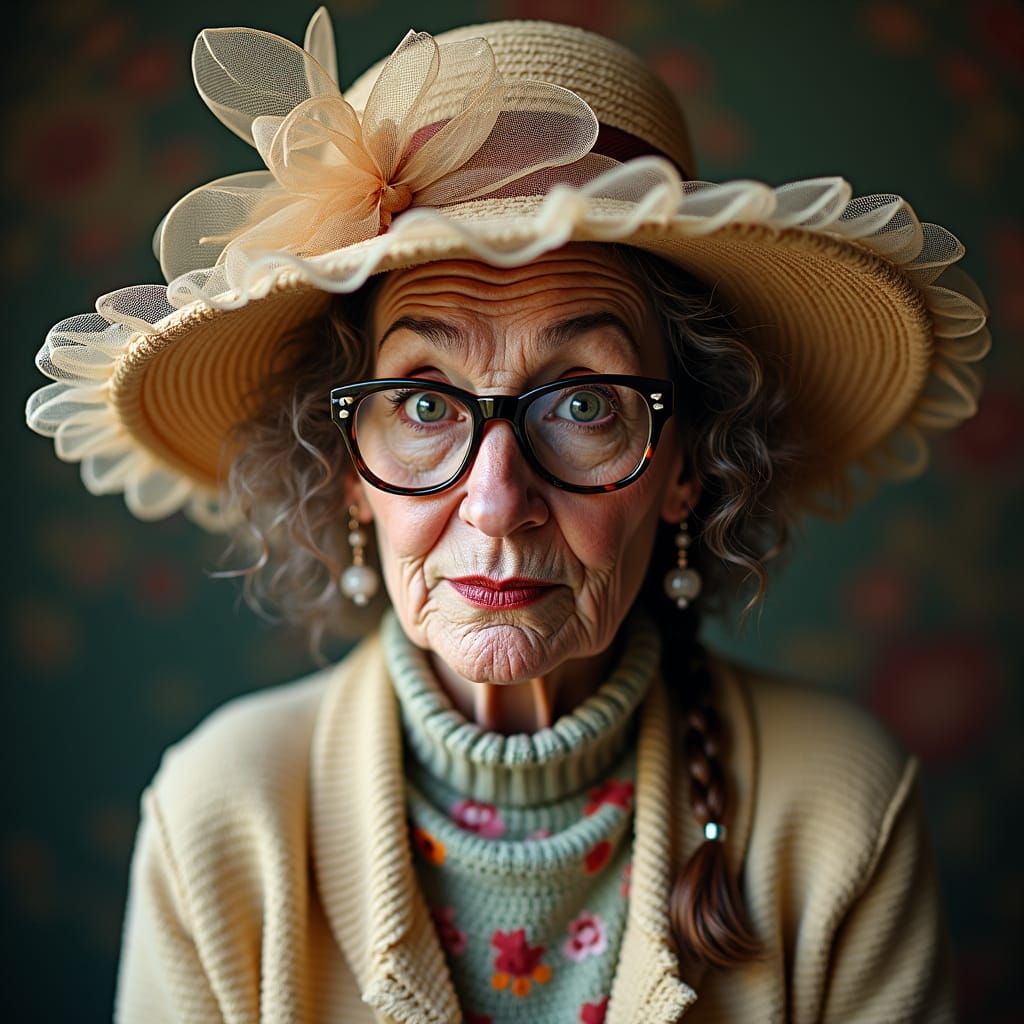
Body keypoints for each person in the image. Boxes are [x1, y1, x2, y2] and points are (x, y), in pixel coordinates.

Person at [24, 9, 989, 1023]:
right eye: (424, 403)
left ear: (686, 465)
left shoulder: (837, 804)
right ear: (345, 464)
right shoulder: (222, 814)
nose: (496, 502)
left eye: (582, 404)